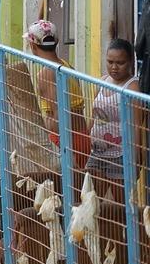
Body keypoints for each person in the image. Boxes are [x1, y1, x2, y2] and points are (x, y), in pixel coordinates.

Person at [25, 19, 89, 169]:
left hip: (65, 141)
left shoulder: (46, 73)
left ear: (33, 46)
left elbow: (59, 117)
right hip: (82, 136)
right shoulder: (66, 66)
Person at [86, 38, 139, 184]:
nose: (114, 67)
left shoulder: (133, 87)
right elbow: (93, 116)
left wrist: (135, 160)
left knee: (119, 204)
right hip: (96, 153)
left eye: (120, 63)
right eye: (110, 62)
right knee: (89, 197)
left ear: (130, 63)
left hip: (121, 155)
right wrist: (85, 140)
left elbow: (136, 126)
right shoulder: (102, 81)